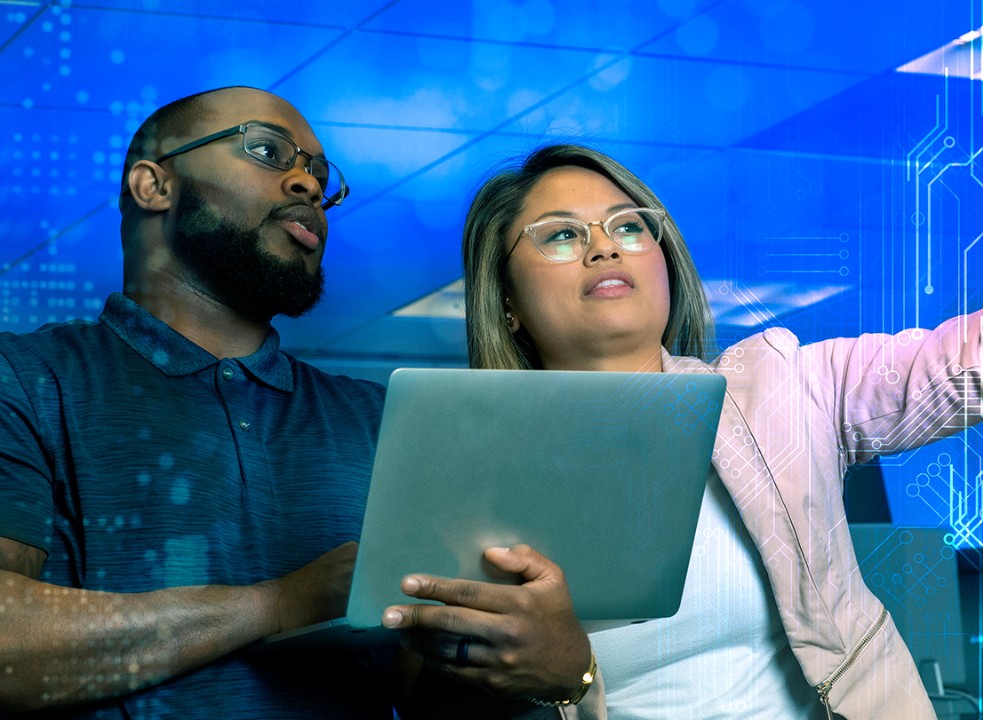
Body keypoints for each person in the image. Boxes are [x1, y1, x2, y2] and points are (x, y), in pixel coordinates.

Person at [444, 55, 983, 719]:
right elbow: (431, 699)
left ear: (665, 257)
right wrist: (568, 677)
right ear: (506, 300)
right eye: (561, 234)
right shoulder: (477, 482)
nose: (605, 246)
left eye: (628, 226)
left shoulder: (780, 389)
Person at [0, 86, 596, 719]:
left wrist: (541, 668)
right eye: (267, 150)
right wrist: (276, 605)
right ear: (154, 185)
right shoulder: (27, 378)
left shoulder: (386, 420)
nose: (306, 184)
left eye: (318, 173)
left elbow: (431, 698)